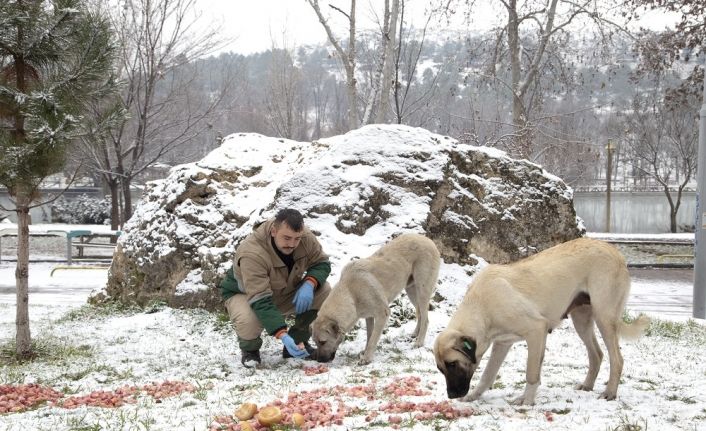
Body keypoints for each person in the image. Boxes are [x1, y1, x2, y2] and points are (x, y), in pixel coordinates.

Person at [219, 208, 332, 367]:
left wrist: (309, 283)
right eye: (286, 238)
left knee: (324, 291)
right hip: (246, 295)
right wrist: (282, 334)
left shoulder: (304, 237)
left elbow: (322, 263)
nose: (292, 244)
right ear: (273, 231)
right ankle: (250, 350)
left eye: (296, 239)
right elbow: (260, 299)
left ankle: (298, 341)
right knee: (247, 318)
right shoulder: (251, 252)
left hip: (284, 291)